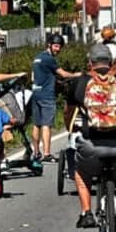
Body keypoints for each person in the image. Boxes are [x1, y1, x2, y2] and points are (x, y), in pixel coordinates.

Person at [64, 44, 116, 230]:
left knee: (81, 173)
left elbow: (68, 112)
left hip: (91, 144)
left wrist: (69, 127)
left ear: (89, 62)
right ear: (111, 62)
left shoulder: (80, 83)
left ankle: (86, 212)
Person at [31, 33, 81, 162]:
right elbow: (63, 74)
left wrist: (55, 81)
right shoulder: (49, 59)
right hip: (47, 95)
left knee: (36, 124)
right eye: (56, 46)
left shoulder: (37, 58)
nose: (58, 49)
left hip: (35, 93)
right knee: (46, 124)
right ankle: (47, 154)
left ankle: (36, 153)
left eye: (59, 47)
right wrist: (77, 75)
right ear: (49, 45)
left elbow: (39, 76)